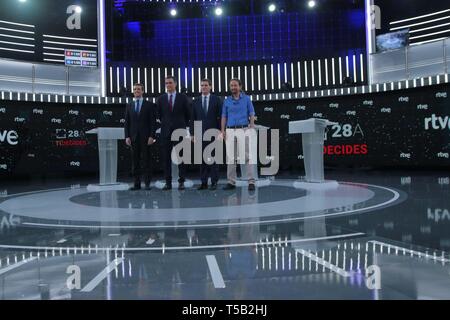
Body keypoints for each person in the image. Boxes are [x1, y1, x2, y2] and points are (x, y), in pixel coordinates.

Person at [156, 76, 191, 191]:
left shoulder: (183, 97)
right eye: (166, 83)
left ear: (175, 84)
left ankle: (181, 182)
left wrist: (181, 125)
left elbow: (188, 114)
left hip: (180, 130)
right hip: (166, 132)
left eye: (170, 83)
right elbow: (160, 115)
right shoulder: (161, 99)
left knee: (181, 157)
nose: (168, 85)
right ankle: (168, 182)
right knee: (166, 158)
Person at [221, 79, 257, 191]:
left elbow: (252, 113)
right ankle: (231, 182)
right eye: (231, 85)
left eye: (235, 85)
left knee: (247, 157)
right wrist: (223, 130)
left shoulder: (246, 99)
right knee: (231, 158)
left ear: (240, 86)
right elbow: (224, 117)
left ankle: (251, 181)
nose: (233, 87)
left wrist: (251, 127)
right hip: (230, 130)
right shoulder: (226, 101)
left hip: (243, 129)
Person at [190, 79, 223, 191]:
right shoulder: (196, 101)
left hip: (214, 133)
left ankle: (214, 182)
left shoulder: (217, 100)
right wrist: (192, 134)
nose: (203, 87)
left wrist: (221, 132)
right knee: (202, 159)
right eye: (202, 85)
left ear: (210, 87)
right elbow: (192, 119)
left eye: (205, 85)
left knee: (214, 158)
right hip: (199, 133)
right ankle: (203, 182)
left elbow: (221, 118)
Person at [124, 83, 157, 191]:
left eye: (138, 89)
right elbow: (127, 123)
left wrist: (152, 136)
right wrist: (127, 136)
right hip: (133, 138)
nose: (136, 91)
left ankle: (147, 183)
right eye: (135, 89)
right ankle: (136, 184)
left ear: (142, 91)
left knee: (147, 161)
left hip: (146, 137)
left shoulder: (149, 105)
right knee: (135, 161)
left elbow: (153, 122)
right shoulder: (129, 105)